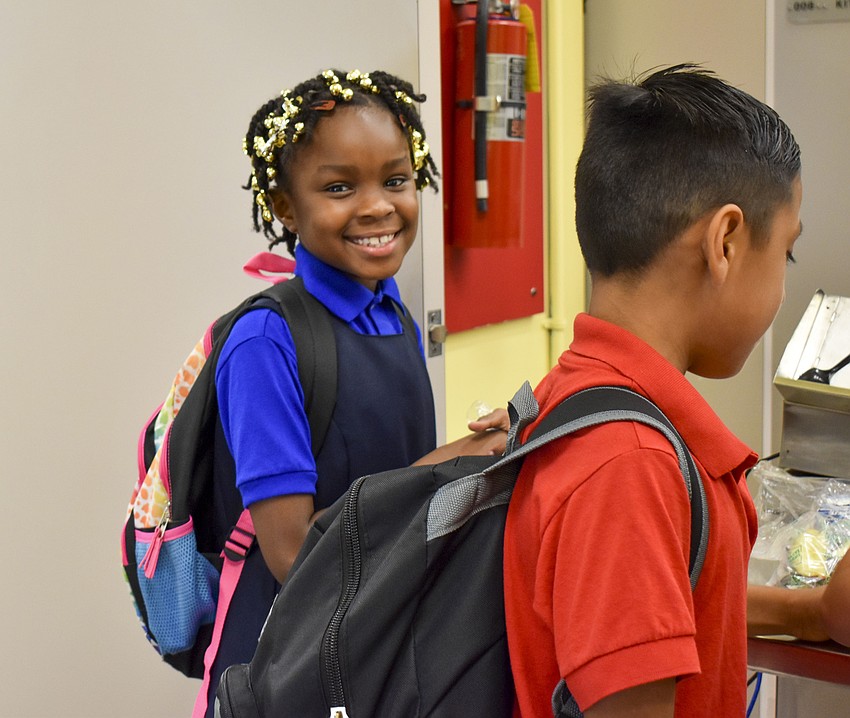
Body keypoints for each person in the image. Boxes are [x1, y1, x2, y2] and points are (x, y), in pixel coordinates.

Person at [202, 69, 507, 716]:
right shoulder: (266, 343)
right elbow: (294, 556)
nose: (377, 206)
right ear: (286, 207)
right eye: (339, 187)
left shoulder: (390, 311)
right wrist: (460, 460)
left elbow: (389, 488)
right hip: (288, 669)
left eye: (396, 180)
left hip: (373, 643)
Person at [503, 64, 804, 717]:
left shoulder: (589, 395)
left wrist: (809, 614)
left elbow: (665, 602)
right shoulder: (628, 465)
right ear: (724, 242)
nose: (781, 286)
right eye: (785, 253)